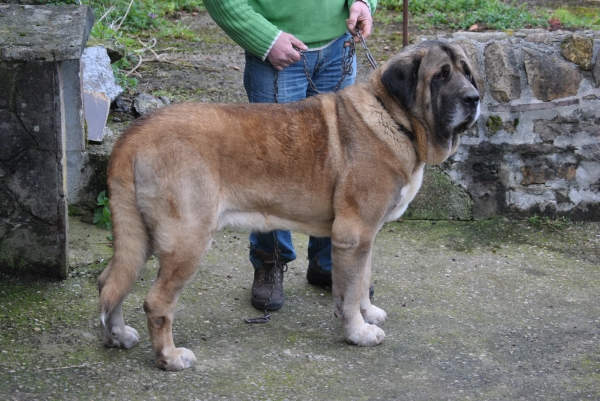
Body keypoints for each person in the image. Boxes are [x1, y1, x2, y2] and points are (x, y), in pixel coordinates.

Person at [204, 0, 377, 312]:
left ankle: (328, 263)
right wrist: (264, 38)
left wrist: (364, 3)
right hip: (277, 53)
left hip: (341, 45)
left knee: (337, 163)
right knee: (271, 169)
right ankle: (270, 261)